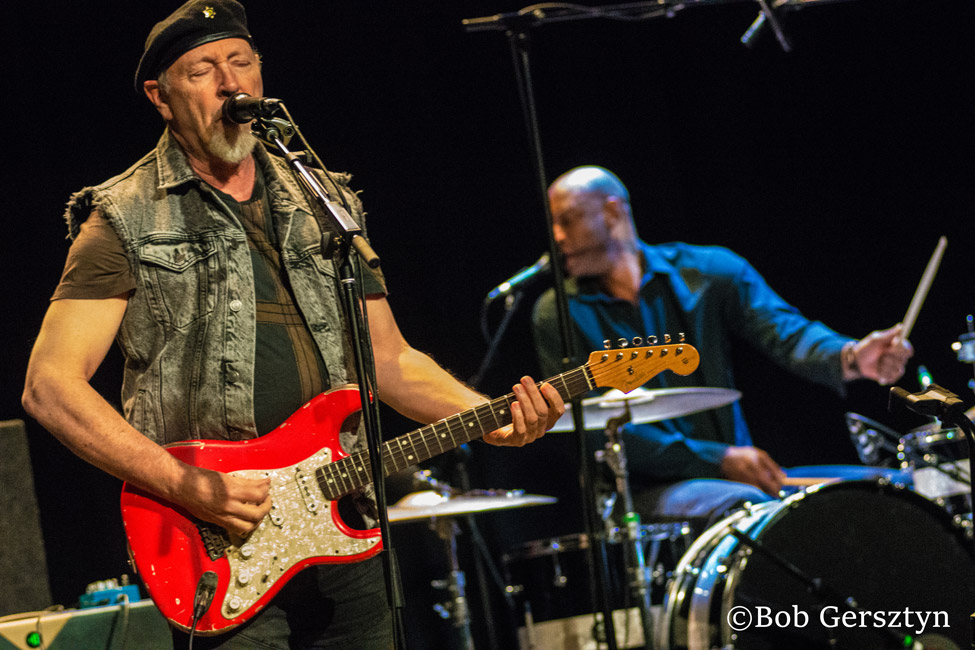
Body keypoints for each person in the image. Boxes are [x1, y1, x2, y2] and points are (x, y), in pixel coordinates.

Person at [21, 2, 564, 649]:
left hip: (344, 518)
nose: (230, 83)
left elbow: (388, 359)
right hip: (217, 541)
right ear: (160, 96)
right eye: (202, 70)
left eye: (240, 62)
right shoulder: (123, 215)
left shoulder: (324, 200)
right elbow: (50, 385)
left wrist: (489, 416)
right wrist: (186, 485)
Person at [531, 165, 912, 528]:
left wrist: (851, 357)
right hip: (642, 494)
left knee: (895, 489)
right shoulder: (557, 312)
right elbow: (593, 426)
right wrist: (718, 459)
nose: (557, 236)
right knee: (744, 506)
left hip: (734, 478)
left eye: (567, 220)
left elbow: (786, 331)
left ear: (612, 212)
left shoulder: (708, 271)